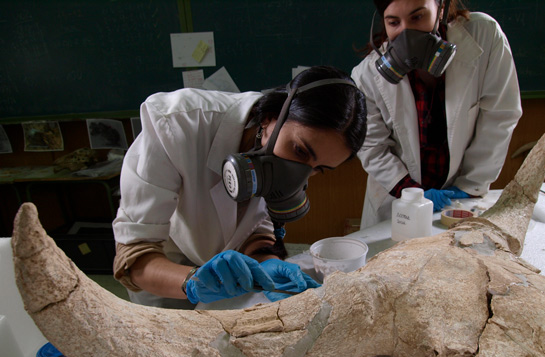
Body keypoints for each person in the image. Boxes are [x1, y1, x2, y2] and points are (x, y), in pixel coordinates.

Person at [112, 66, 367, 309]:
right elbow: (133, 257)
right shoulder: (176, 124)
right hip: (164, 262)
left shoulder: (285, 151)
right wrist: (194, 282)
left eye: (318, 168)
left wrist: (266, 260)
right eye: (300, 151)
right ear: (270, 118)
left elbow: (258, 226)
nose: (298, 177)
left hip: (228, 267)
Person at [351, 0, 522, 228]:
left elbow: (499, 116)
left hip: (460, 194)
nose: (406, 33)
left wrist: (470, 184)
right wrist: (411, 192)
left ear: (440, 8)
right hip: (399, 198)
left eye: (417, 17)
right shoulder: (367, 75)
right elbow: (372, 147)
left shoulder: (485, 36)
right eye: (394, 22)